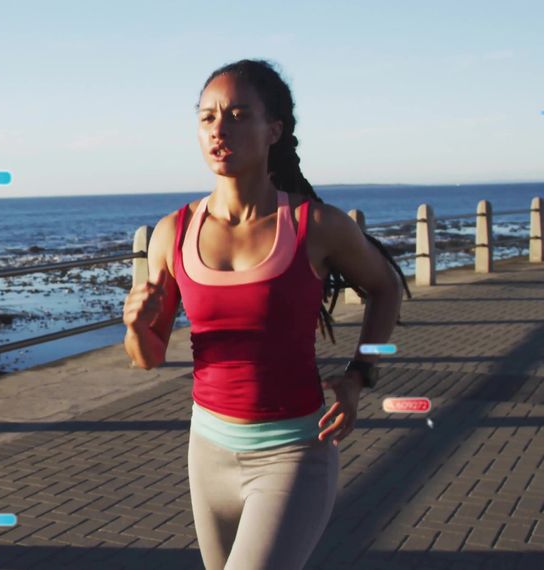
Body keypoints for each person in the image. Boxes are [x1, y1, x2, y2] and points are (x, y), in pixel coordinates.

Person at [122, 59, 409, 570]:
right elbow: (148, 358)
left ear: (273, 130)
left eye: (237, 115)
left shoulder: (314, 225)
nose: (219, 129)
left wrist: (360, 374)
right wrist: (136, 326)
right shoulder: (173, 232)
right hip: (207, 452)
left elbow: (386, 287)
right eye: (207, 117)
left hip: (293, 454)